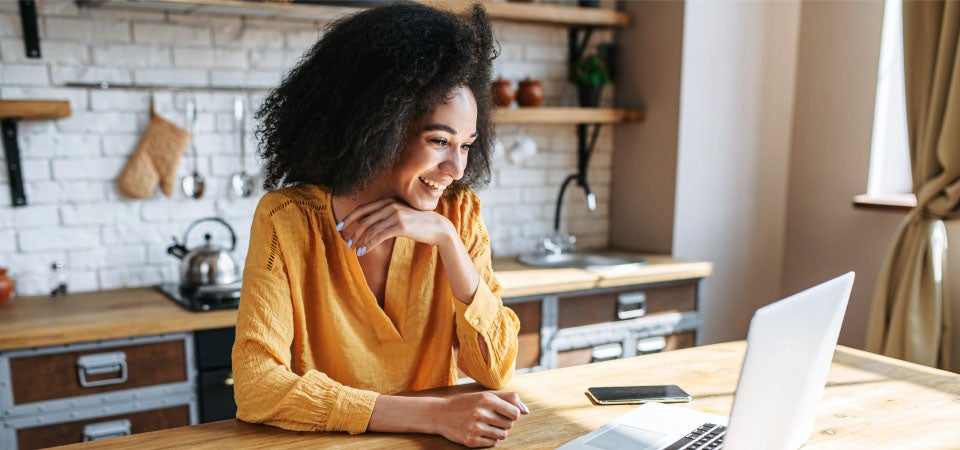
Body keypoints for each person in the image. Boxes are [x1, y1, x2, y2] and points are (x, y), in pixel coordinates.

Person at [231, 3, 526, 448]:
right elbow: (256, 389)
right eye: (439, 141)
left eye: (467, 145)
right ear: (378, 126)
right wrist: (434, 415)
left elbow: (496, 369)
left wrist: (447, 240)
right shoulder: (286, 220)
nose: (456, 168)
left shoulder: (458, 214)